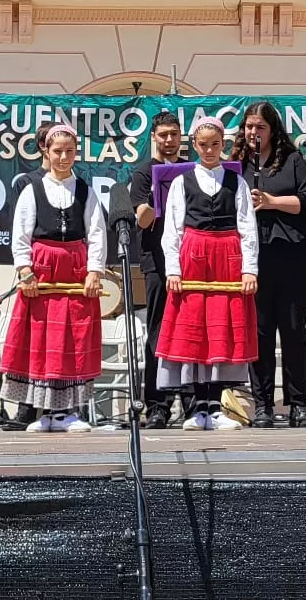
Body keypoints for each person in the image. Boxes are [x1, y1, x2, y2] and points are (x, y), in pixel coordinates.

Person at [1, 124, 108, 433]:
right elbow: (20, 234)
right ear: (46, 152)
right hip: (43, 271)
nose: (63, 157)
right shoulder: (32, 189)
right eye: (57, 151)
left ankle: (65, 413)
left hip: (74, 271)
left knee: (71, 339)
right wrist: (25, 270)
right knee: (42, 339)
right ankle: (44, 414)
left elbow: (97, 233)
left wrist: (94, 271)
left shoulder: (84, 190)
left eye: (69, 151)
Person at [158, 115, 260, 431]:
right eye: (203, 145)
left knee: (221, 328)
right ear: (195, 146)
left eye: (215, 144)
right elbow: (172, 230)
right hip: (194, 255)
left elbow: (247, 226)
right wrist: (173, 269)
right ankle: (196, 407)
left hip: (227, 256)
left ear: (223, 144)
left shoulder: (237, 182)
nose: (209, 150)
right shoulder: (181, 182)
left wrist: (249, 269)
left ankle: (214, 406)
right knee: (195, 328)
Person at [238, 101, 306, 428]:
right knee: (259, 333)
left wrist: (271, 202)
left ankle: (298, 403)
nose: (254, 132)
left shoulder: (293, 161)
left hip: (291, 254)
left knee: (293, 331)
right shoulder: (238, 165)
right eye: (249, 127)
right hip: (254, 257)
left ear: (273, 130)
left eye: (260, 127)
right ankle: (262, 404)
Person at [128, 110, 187, 428]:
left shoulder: (192, 171)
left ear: (181, 137)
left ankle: (193, 401)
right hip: (157, 263)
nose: (168, 140)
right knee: (158, 332)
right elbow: (142, 219)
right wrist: (157, 197)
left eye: (173, 135)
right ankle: (157, 405)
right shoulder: (143, 174)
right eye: (163, 135)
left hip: (191, 263)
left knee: (191, 333)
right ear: (153, 137)